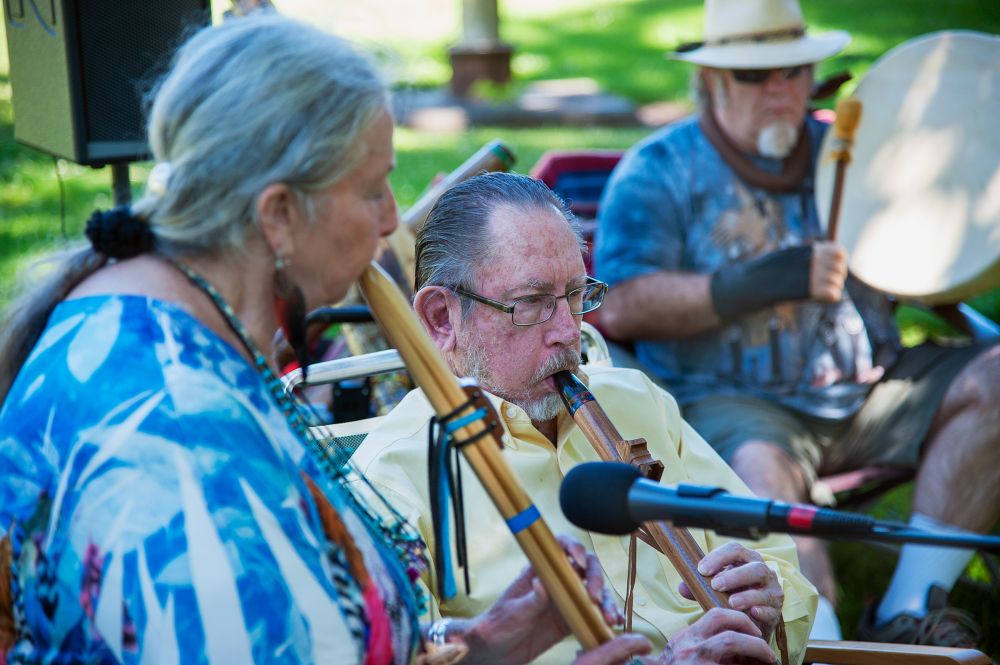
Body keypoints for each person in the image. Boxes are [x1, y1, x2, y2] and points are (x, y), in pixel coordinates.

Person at [0, 14, 650, 664]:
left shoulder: (180, 331)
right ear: (279, 215)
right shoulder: (170, 436)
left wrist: (485, 644)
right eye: (372, 189)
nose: (394, 218)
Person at [593, 0, 999, 646]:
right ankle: (825, 645)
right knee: (760, 475)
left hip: (870, 388)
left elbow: (921, 254)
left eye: (793, 69)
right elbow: (619, 303)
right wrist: (764, 279)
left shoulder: (855, 152)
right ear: (711, 81)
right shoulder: (658, 170)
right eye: (755, 75)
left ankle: (908, 610)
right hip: (736, 406)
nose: (779, 89)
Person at [351, 171, 817, 665]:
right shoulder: (390, 478)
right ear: (443, 319)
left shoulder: (638, 400)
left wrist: (770, 604)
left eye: (576, 295)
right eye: (532, 303)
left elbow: (776, 560)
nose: (567, 332)